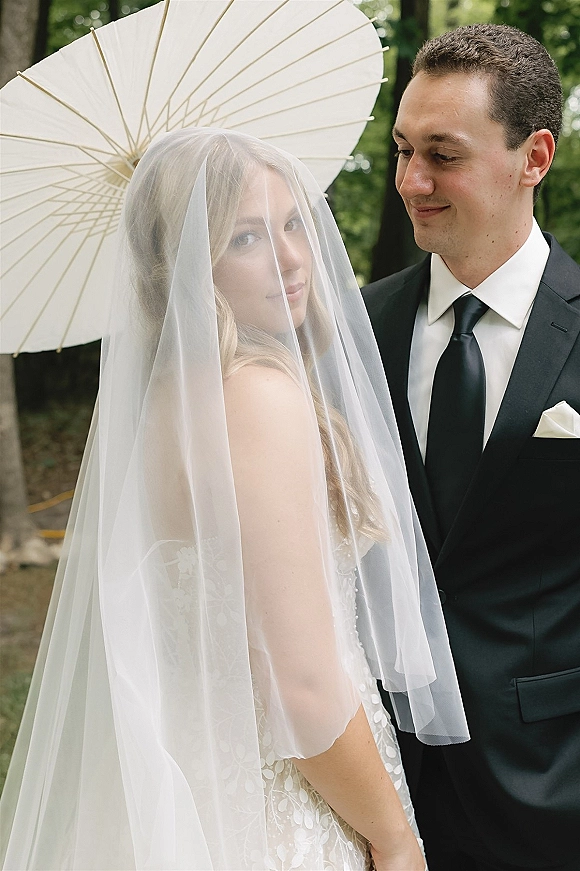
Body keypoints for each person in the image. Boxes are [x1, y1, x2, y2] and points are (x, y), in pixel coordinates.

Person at [0, 129, 469, 870]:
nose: (290, 258)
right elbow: (302, 684)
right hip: (277, 808)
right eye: (246, 236)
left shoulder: (163, 403)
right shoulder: (254, 397)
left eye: (292, 222)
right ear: (182, 266)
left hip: (183, 799)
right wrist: (395, 834)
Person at [363, 23, 580, 871]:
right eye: (402, 150)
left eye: (443, 155)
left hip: (553, 782)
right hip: (382, 781)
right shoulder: (352, 327)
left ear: (533, 157)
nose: (412, 182)